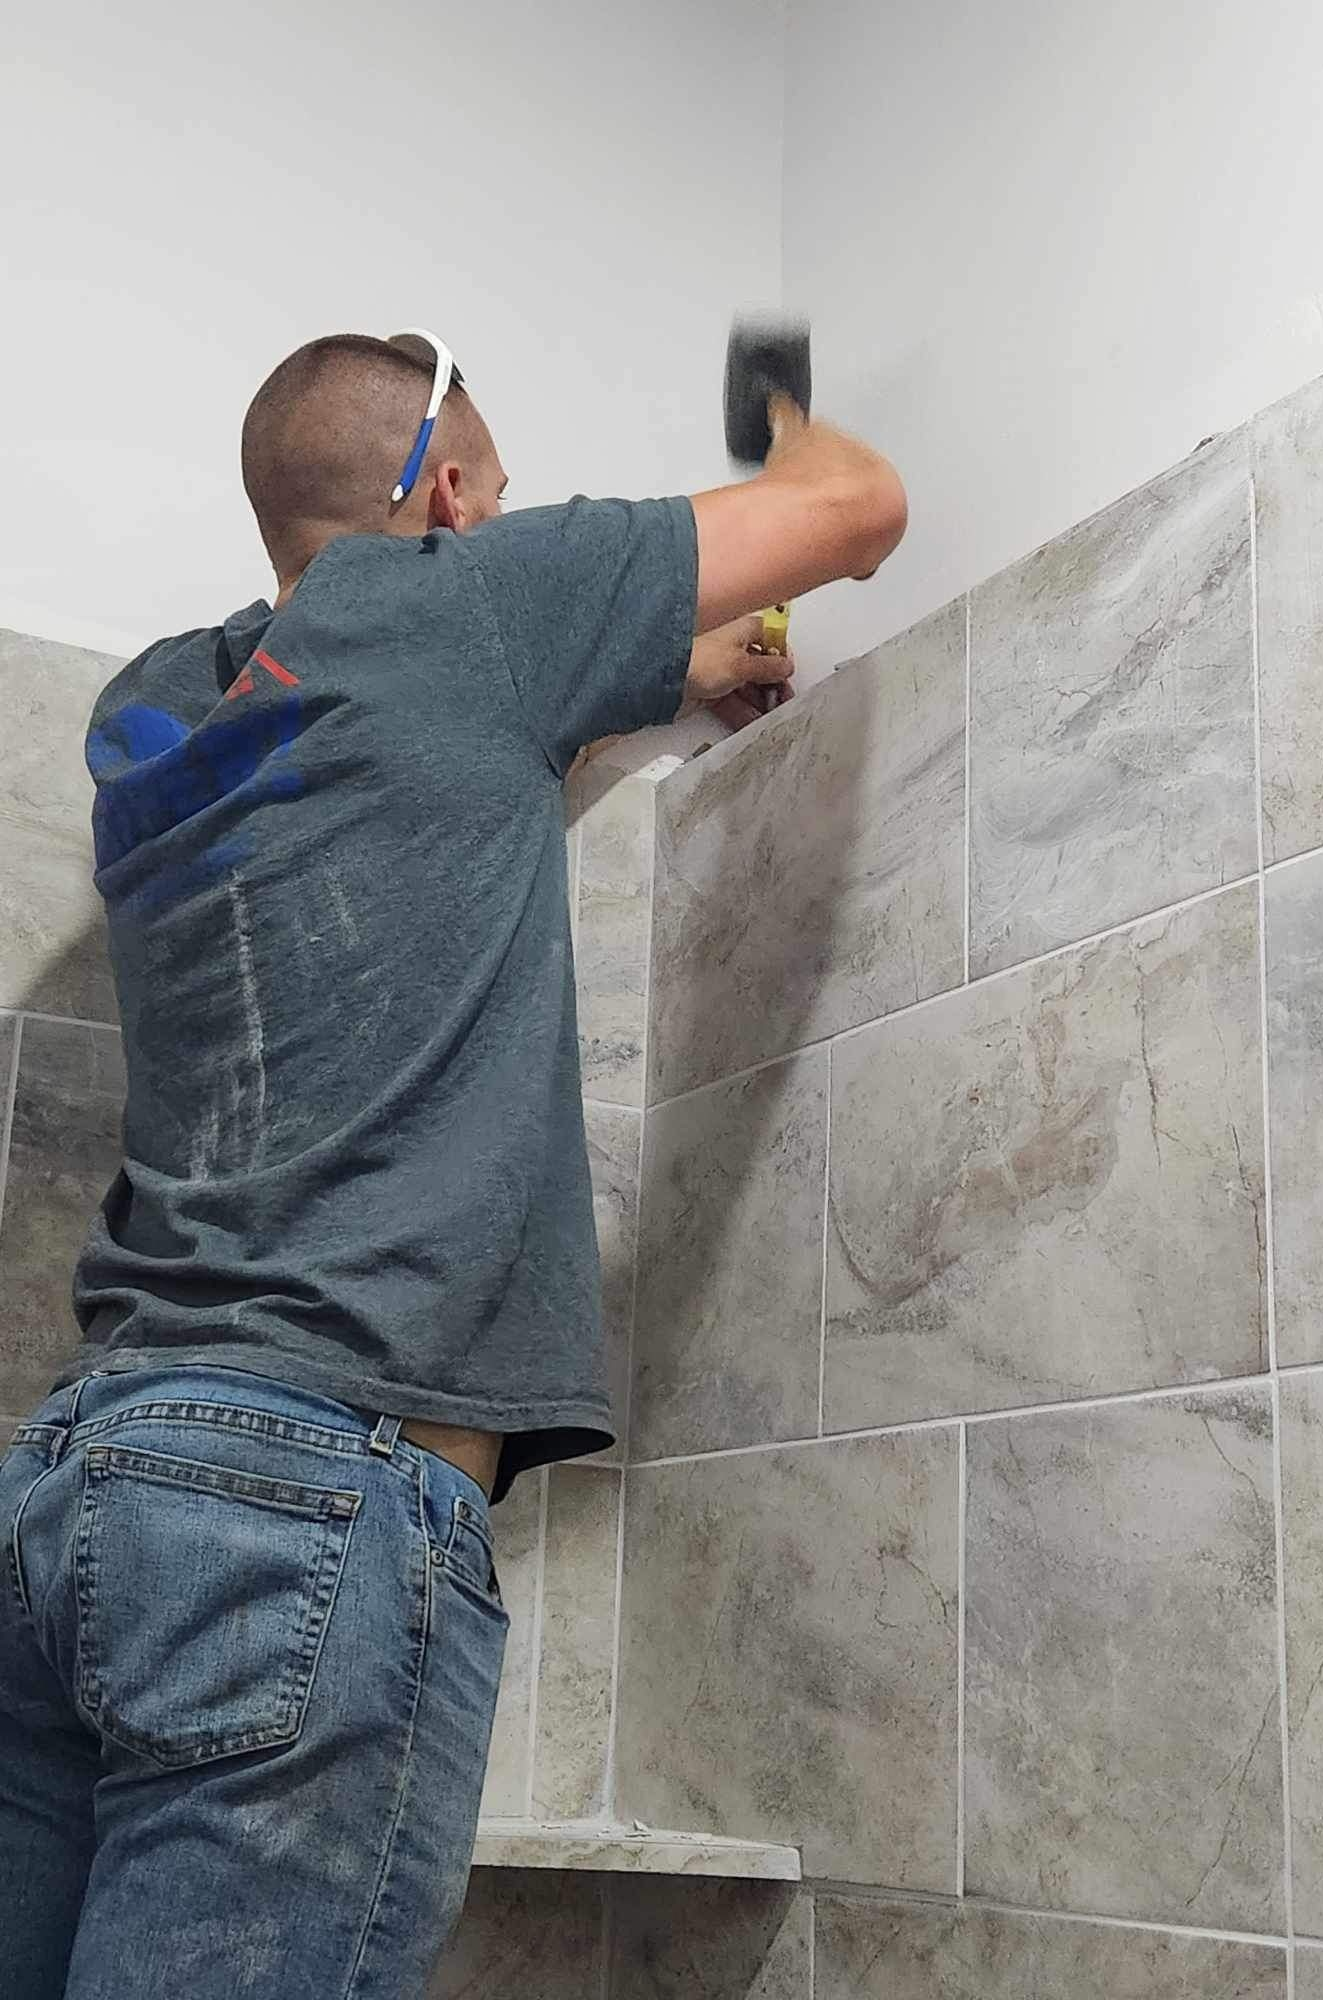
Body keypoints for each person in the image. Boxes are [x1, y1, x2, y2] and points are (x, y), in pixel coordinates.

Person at [0, 329, 906, 1998]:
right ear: (449, 488)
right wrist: (770, 395)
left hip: (75, 1488)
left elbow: (398, 815)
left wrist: (652, 683)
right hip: (301, 1512)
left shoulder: (153, 713)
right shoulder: (464, 600)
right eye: (500, 490)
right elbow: (854, 506)